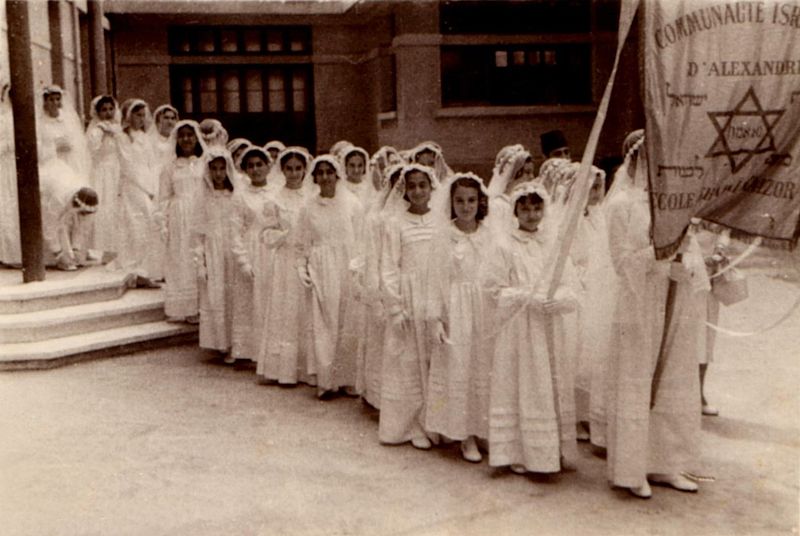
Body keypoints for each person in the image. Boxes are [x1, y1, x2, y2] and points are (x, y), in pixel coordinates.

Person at [604, 130, 702, 498]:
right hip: (637, 300)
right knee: (637, 376)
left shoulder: (675, 201)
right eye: (647, 157)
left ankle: (667, 463)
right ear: (634, 159)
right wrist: (659, 259)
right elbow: (621, 261)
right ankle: (633, 468)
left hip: (671, 299)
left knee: (673, 377)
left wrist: (686, 266)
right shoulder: (621, 205)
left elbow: (689, 247)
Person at [483, 183, 578, 475]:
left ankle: (552, 451)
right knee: (521, 384)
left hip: (548, 325)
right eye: (524, 208)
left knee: (548, 384)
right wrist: (526, 298)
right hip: (518, 327)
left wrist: (559, 300)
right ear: (515, 211)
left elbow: (571, 284)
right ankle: (519, 450)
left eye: (537, 208)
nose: (531, 214)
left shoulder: (554, 243)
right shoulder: (504, 245)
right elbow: (492, 289)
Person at [425, 172, 494, 463]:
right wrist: (436, 317)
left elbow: (498, 271)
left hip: (485, 308)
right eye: (460, 201)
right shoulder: (444, 237)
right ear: (451, 204)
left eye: (471, 200)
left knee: (484, 367)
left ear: (480, 203)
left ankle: (483, 428)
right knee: (461, 368)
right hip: (456, 309)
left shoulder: (489, 234)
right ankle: (464, 435)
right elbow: (435, 280)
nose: (466, 207)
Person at [378, 164, 439, 449]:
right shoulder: (395, 222)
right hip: (408, 297)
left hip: (434, 296)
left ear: (432, 187)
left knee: (434, 361)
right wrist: (395, 307)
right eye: (412, 186)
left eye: (422, 185)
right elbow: (389, 267)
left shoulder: (441, 220)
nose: (417, 191)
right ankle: (412, 425)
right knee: (408, 363)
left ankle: (435, 423)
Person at [295, 155, 362, 397]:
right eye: (320, 173)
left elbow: (362, 240)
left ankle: (348, 378)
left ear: (337, 175)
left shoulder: (353, 203)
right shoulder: (307, 206)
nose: (325, 177)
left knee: (347, 321)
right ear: (314, 177)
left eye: (329, 172)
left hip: (347, 266)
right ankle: (326, 380)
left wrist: (358, 268)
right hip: (321, 267)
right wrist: (302, 268)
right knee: (324, 322)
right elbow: (301, 242)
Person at [256, 147, 314, 384]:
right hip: (285, 260)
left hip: (309, 260)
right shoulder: (275, 200)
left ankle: (309, 368)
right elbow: (265, 234)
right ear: (282, 170)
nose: (293, 173)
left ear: (304, 170)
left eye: (298, 168)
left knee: (308, 312)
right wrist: (284, 235)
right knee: (286, 311)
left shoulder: (313, 197)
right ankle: (285, 369)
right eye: (289, 169)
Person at [230, 146, 284, 363]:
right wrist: (243, 260)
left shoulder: (277, 191)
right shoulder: (240, 196)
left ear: (268, 166)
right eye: (250, 166)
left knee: (274, 298)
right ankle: (251, 351)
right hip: (252, 248)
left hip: (274, 249)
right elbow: (234, 231)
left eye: (259, 164)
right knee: (252, 299)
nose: (255, 169)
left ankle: (273, 351)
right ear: (245, 170)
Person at [158, 120, 207, 322]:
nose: (186, 139)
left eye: (190, 135)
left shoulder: (205, 163)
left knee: (202, 259)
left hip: (201, 213)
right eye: (182, 135)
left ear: (197, 137)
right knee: (180, 259)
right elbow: (163, 196)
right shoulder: (170, 167)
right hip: (179, 217)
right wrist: (163, 221)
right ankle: (183, 308)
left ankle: (202, 307)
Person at [193, 148, 237, 360]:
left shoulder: (236, 195)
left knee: (235, 296)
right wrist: (200, 261)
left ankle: (238, 343)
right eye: (214, 169)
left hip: (233, 248)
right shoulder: (203, 198)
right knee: (217, 295)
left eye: (222, 169)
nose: (219, 174)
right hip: (214, 250)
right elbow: (199, 233)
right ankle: (221, 342)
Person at [117, 98, 161, 287]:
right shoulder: (122, 137)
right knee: (136, 226)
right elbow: (128, 166)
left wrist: (154, 187)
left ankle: (147, 269)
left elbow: (152, 163)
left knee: (150, 226)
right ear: (128, 116)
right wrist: (146, 187)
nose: (141, 119)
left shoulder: (145, 137)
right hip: (133, 186)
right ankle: (136, 271)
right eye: (137, 115)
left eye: (144, 115)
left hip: (148, 185)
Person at [85, 95, 122, 255]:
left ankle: (118, 246)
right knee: (105, 205)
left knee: (118, 205)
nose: (108, 113)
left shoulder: (119, 128)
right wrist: (103, 134)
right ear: (98, 112)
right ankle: (102, 247)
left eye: (110, 109)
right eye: (104, 110)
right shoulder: (95, 130)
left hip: (118, 169)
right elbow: (92, 152)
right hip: (102, 171)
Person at [487, 148, 536, 235]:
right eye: (527, 172)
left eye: (533, 172)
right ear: (513, 175)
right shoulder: (498, 205)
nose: (532, 177)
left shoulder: (523, 201)